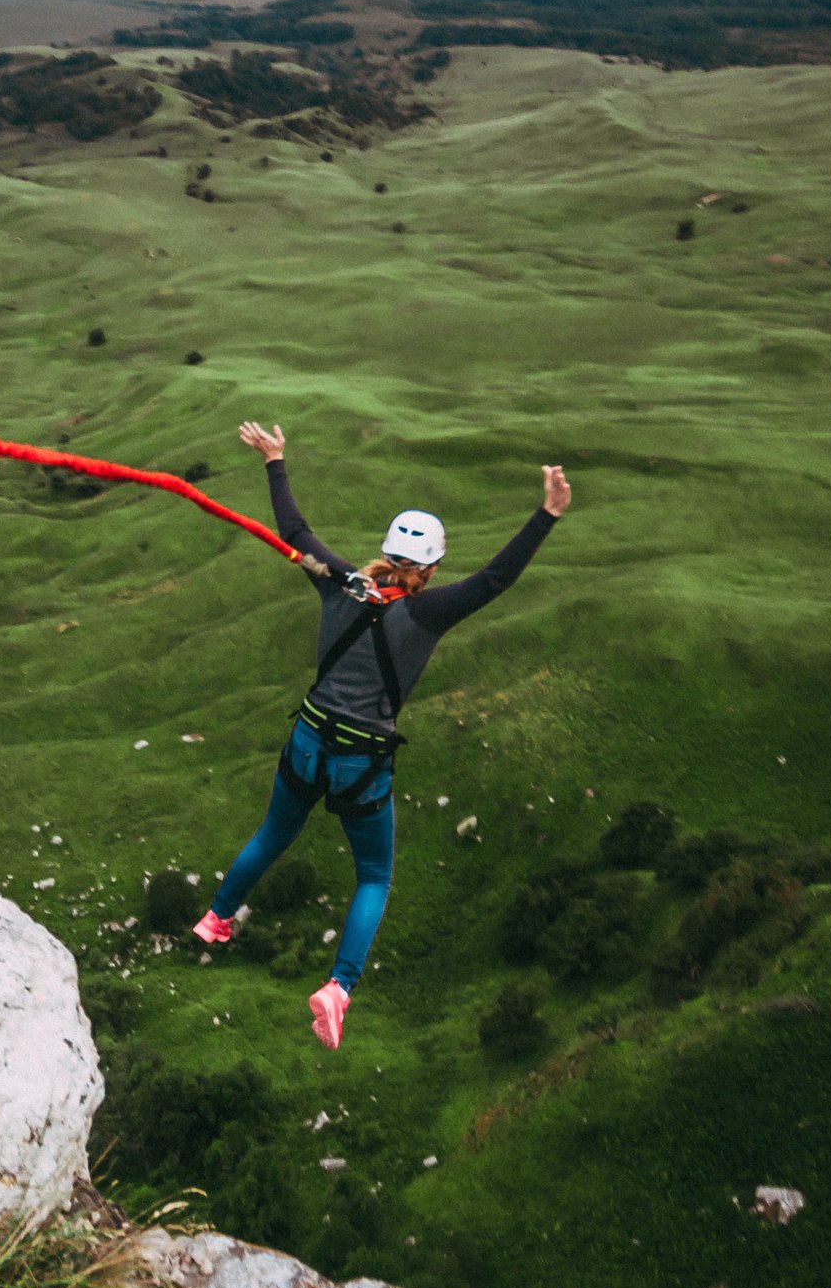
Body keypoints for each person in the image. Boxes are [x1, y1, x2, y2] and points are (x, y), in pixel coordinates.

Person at [193, 420, 571, 1048]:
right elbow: (496, 580)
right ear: (435, 564)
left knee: (273, 834)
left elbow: (295, 532)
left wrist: (276, 461)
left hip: (308, 740)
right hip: (361, 763)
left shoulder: (337, 581)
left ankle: (216, 918)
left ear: (386, 549)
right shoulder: (430, 612)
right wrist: (547, 513)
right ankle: (338, 987)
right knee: (374, 877)